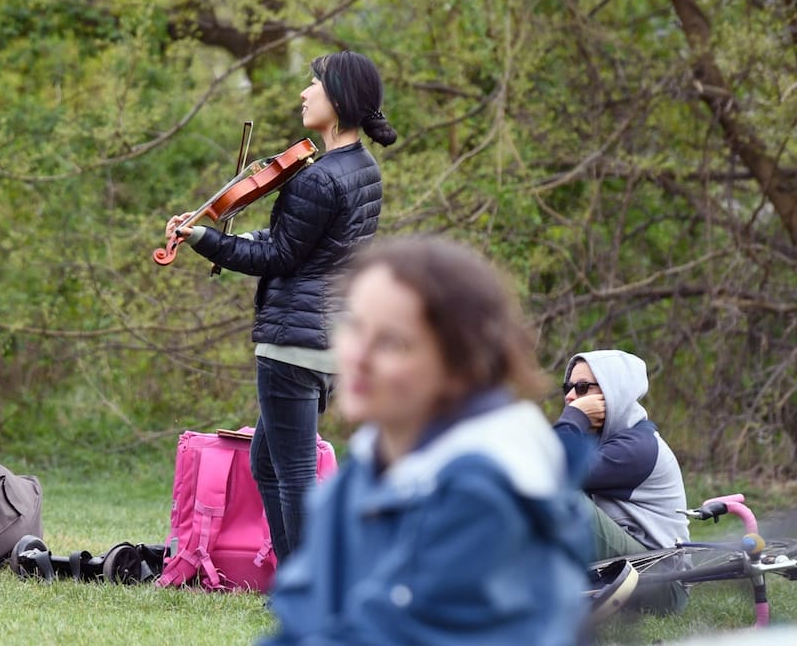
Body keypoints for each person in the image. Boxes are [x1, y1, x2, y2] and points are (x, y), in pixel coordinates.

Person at [260, 236, 591, 645]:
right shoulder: (365, 469)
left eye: (392, 343)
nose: (358, 356)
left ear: (460, 363)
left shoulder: (483, 494)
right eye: (354, 327)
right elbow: (300, 617)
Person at [165, 51, 397, 564]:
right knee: (267, 464)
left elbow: (280, 255)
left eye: (314, 83)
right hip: (330, 338)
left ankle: (310, 587)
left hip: (293, 343)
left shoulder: (316, 178)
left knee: (292, 471)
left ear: (337, 102)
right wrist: (232, 233)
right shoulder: (365, 170)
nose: (304, 92)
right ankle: (297, 576)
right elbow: (305, 244)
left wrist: (205, 238)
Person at [554, 349, 690, 612]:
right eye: (568, 387)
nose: (570, 396)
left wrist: (575, 417)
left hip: (662, 583)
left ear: (613, 393)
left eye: (582, 388)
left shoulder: (637, 448)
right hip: (629, 571)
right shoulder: (600, 440)